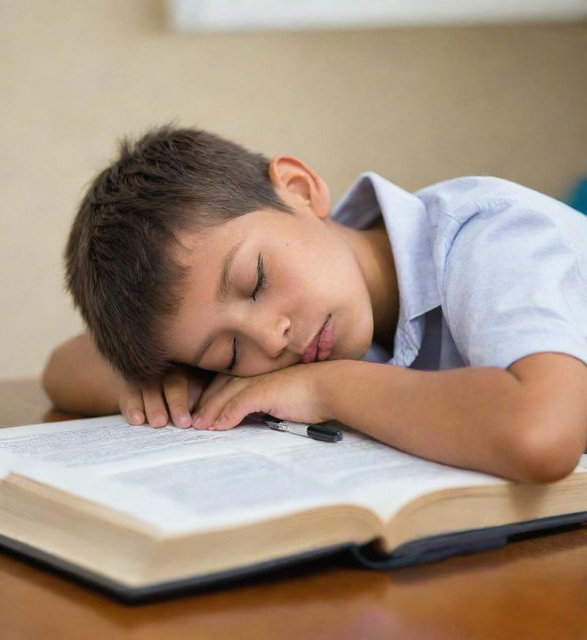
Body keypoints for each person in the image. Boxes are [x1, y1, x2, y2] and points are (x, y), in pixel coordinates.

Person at [42, 125, 587, 482]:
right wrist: (154, 379)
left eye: (255, 281)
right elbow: (62, 368)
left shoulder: (491, 235)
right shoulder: (317, 319)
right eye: (228, 354)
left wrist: (326, 388)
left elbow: (540, 434)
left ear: (300, 190)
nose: (269, 336)